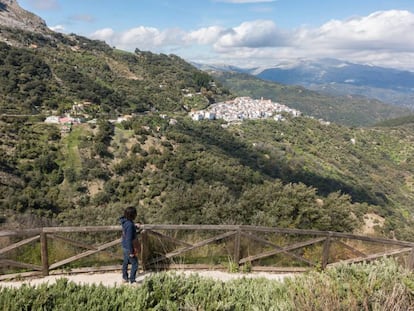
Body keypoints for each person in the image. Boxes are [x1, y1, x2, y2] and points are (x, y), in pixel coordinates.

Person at [119, 206, 140, 284]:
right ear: (132, 215)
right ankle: (132, 280)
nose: (136, 215)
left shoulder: (124, 222)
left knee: (125, 262)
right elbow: (129, 239)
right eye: (135, 213)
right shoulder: (130, 225)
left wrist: (134, 226)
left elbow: (128, 229)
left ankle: (124, 278)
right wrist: (131, 252)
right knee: (135, 263)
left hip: (124, 246)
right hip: (128, 247)